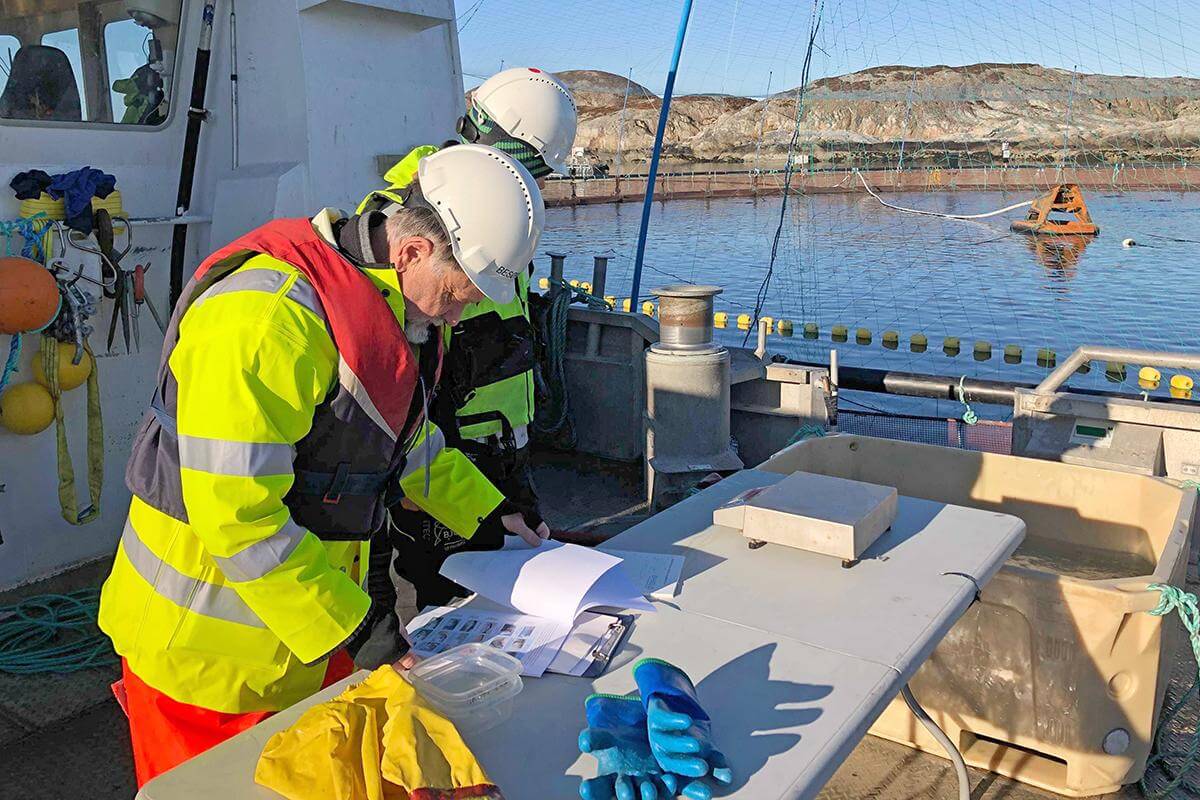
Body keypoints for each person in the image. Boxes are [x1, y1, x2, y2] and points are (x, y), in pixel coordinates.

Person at [98, 144, 548, 786]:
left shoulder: (390, 304)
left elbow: (399, 444)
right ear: (414, 252)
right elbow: (239, 519)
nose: (460, 313)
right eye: (459, 294)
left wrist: (491, 514)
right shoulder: (264, 320)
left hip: (305, 639)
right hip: (205, 662)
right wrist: (361, 628)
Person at [357, 67, 578, 611]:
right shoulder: (419, 224)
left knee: (518, 581)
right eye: (528, 170)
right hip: (443, 448)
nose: (530, 188)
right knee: (449, 597)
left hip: (500, 443)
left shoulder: (497, 212)